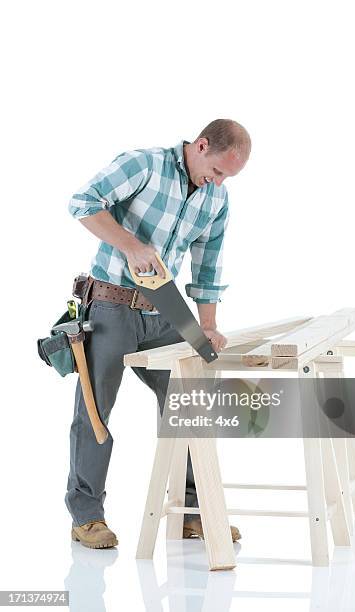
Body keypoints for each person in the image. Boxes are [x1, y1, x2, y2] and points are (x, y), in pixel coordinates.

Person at [66, 119, 251, 548]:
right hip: (111, 305)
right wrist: (130, 244)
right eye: (217, 171)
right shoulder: (144, 165)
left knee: (187, 403)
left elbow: (208, 265)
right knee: (95, 412)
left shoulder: (215, 200)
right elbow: (82, 202)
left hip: (165, 312)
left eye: (227, 177)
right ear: (201, 145)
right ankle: (87, 517)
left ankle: (190, 511)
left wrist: (207, 326)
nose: (219, 182)